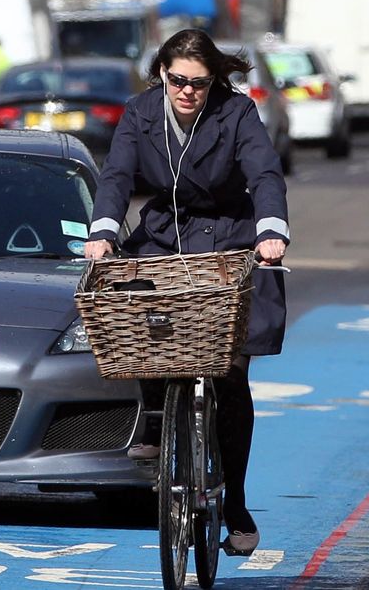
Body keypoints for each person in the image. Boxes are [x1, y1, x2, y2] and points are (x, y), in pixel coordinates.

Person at [83, 28, 290, 558]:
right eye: (178, 80)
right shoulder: (140, 112)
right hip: (163, 238)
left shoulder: (236, 113)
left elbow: (265, 172)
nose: (188, 92)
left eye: (199, 83)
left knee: (232, 373)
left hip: (228, 239)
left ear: (214, 80)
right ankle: (154, 417)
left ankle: (236, 502)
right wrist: (104, 229)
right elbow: (117, 175)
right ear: (162, 74)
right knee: (140, 314)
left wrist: (271, 229)